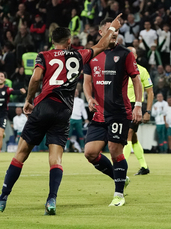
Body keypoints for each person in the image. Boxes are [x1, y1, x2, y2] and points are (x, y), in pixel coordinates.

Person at [0, 15, 123, 214]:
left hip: (43, 106)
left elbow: (35, 78)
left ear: (52, 41)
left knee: (21, 154)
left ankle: (3, 197)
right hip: (63, 111)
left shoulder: (44, 55)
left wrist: (29, 99)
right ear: (69, 42)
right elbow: (101, 45)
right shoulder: (77, 55)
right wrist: (113, 29)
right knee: (55, 159)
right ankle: (51, 200)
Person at [83, 17, 143, 207]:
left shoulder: (125, 54)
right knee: (90, 153)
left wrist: (139, 105)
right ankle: (121, 178)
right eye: (111, 30)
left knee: (115, 150)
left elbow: (136, 80)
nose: (115, 32)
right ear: (101, 33)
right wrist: (89, 98)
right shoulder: (91, 54)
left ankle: (119, 195)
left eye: (116, 30)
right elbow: (86, 81)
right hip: (99, 113)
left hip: (119, 111)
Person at [123, 47, 154, 175]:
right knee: (133, 138)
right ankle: (144, 167)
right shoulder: (122, 70)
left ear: (135, 57)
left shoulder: (142, 71)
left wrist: (148, 111)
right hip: (123, 106)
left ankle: (120, 167)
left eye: (131, 54)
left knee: (128, 134)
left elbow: (150, 92)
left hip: (136, 106)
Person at [0, 72, 26, 151]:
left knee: (0, 135)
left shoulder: (7, 89)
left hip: (2, 115)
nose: (0, 78)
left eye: (1, 76)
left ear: (4, 79)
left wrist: (21, 91)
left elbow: (14, 92)